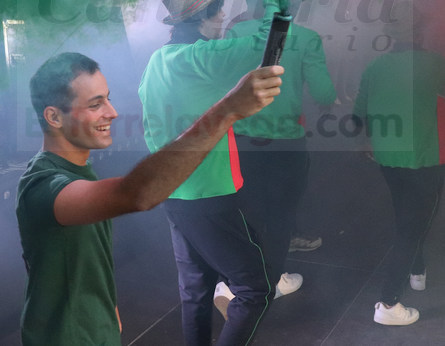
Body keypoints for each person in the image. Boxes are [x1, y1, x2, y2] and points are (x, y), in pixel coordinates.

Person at [17, 52, 283, 346]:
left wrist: (107, 307)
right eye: (95, 104)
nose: (112, 112)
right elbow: (138, 194)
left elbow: (54, 259)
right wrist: (228, 110)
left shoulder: (76, 170)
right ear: (54, 117)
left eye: (107, 99)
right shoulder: (44, 186)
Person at [138, 0, 288, 346]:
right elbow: (262, 44)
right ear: (205, 16)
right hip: (209, 195)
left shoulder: (157, 61)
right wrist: (276, 0)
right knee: (255, 289)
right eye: (219, 10)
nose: (223, 16)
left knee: (196, 292)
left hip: (170, 190)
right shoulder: (200, 57)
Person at [213, 0, 336, 316]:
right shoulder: (307, 38)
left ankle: (238, 282)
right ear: (292, 1)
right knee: (281, 217)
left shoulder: (237, 33)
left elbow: (220, 85)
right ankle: (273, 282)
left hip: (240, 143)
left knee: (246, 214)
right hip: (286, 147)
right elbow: (325, 93)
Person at [353, 0, 445, 326]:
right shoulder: (435, 63)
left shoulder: (375, 66)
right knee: (412, 228)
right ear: (421, 32)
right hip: (425, 160)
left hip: (388, 159)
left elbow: (357, 115)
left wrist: (369, 138)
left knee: (407, 215)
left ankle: (417, 270)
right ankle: (388, 303)